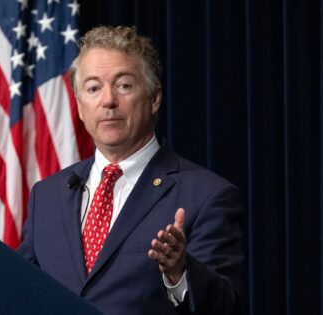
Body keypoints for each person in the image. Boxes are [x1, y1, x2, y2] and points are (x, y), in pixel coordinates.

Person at [18, 25, 243, 315]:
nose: (108, 100)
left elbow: (226, 306)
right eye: (93, 88)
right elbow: (18, 288)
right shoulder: (47, 196)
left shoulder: (207, 196)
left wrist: (180, 271)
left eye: (124, 85)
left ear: (154, 98)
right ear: (80, 106)